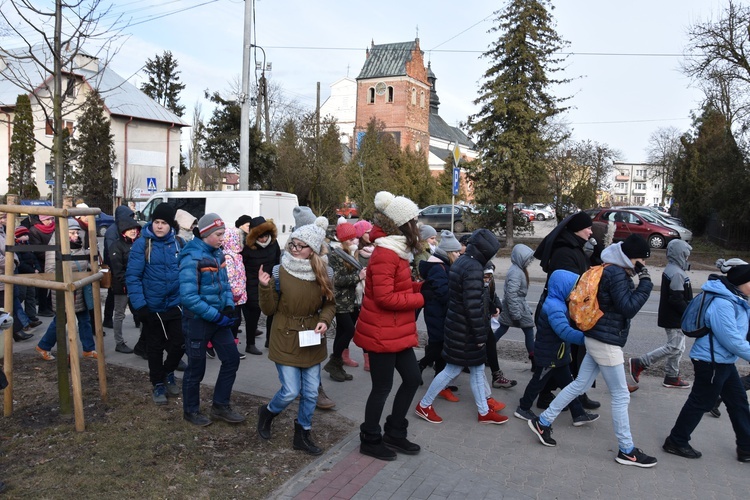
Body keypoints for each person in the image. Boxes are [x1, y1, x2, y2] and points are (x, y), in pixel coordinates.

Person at [528, 234, 657, 468]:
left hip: (596, 337)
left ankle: (543, 421)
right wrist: (646, 283)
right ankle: (627, 450)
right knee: (620, 395)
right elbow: (628, 308)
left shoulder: (612, 268)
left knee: (579, 385)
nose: (644, 264)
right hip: (606, 343)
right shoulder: (617, 273)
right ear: (632, 258)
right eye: (642, 259)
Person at [353, 191, 425, 461]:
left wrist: (420, 286)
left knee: (413, 379)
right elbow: (384, 297)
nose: (417, 225)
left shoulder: (398, 251)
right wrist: (420, 297)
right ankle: (370, 439)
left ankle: (395, 432)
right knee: (382, 388)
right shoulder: (386, 253)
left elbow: (396, 287)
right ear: (403, 224)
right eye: (414, 221)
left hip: (396, 331)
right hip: (381, 332)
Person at [256, 216, 335, 455]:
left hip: (311, 337)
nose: (295, 249)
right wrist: (264, 287)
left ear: (313, 249)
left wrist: (324, 321)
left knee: (311, 392)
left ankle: (302, 434)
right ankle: (268, 412)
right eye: (292, 244)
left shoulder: (324, 271)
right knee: (290, 390)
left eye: (301, 246)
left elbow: (330, 305)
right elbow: (268, 310)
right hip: (285, 335)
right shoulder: (279, 270)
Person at [415, 229, 508, 426]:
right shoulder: (474, 268)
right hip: (466, 330)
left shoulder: (463, 262)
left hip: (458, 327)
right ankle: (424, 405)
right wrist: (481, 334)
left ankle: (484, 411)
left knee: (475, 369)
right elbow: (472, 305)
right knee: (452, 369)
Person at [662, 259, 750, 462]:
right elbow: (732, 340)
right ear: (741, 282)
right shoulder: (723, 303)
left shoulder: (735, 298)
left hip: (723, 361)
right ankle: (676, 441)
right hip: (710, 361)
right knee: (700, 402)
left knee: (738, 402)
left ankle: (746, 448)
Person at [179, 213, 244, 426]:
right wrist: (215, 315)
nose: (222, 238)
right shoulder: (192, 257)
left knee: (232, 359)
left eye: (223, 233)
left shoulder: (218, 254)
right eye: (218, 234)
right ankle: (191, 411)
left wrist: (227, 307)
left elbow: (225, 285)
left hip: (218, 319)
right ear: (206, 234)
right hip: (198, 321)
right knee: (196, 368)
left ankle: (220, 406)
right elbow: (188, 297)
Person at [513, 269, 599, 427]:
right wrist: (586, 339)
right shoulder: (554, 307)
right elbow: (564, 331)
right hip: (549, 356)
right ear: (562, 287)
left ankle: (578, 413)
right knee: (537, 383)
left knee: (569, 385)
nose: (574, 292)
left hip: (557, 355)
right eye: (573, 288)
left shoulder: (558, 303)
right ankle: (523, 408)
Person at [533, 211, 600, 410]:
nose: (591, 231)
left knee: (571, 356)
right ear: (577, 229)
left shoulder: (575, 247)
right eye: (588, 228)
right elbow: (570, 284)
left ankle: (578, 393)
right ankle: (545, 395)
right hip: (565, 311)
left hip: (573, 310)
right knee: (560, 356)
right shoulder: (564, 251)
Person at [126, 203, 185, 406]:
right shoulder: (142, 244)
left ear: (171, 225)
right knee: (155, 348)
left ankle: (168, 372)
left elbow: (187, 271)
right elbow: (133, 277)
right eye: (157, 222)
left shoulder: (179, 243)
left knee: (179, 343)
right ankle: (158, 383)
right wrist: (140, 307)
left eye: (164, 223)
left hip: (175, 304)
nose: (160, 226)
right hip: (152, 307)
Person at [629, 239, 693, 389]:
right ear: (679, 254)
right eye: (686, 254)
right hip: (675, 318)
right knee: (674, 347)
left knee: (678, 347)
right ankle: (641, 363)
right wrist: (688, 313)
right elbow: (676, 299)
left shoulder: (673, 269)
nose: (687, 257)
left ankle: (672, 376)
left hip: (674, 316)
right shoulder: (677, 273)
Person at [35, 219, 97, 360]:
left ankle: (89, 348)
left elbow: (83, 263)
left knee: (84, 319)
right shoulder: (55, 247)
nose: (76, 235)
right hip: (65, 290)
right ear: (63, 233)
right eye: (72, 232)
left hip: (80, 289)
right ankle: (43, 346)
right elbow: (51, 271)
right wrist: (71, 276)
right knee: (60, 320)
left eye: (77, 232)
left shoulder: (79, 246)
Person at [417, 230, 462, 400]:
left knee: (442, 348)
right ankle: (419, 365)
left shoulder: (444, 265)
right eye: (457, 252)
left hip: (442, 314)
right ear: (449, 253)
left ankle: (442, 383)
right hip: (437, 315)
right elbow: (443, 293)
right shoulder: (437, 267)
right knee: (440, 347)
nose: (459, 254)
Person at [323, 222, 365, 382]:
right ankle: (333, 363)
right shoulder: (335, 255)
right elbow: (337, 280)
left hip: (352, 301)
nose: (355, 240)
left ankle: (337, 366)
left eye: (355, 237)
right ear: (344, 240)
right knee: (348, 331)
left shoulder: (352, 254)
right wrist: (358, 276)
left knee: (342, 332)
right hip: (340, 302)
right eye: (351, 238)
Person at [241, 216, 281, 354]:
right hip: (252, 284)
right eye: (260, 236)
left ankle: (270, 340)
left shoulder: (274, 244)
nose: (263, 239)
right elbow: (243, 266)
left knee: (272, 311)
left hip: (270, 282)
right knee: (254, 313)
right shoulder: (247, 247)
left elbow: (277, 261)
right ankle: (250, 344)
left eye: (265, 235)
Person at [495, 244, 536, 375]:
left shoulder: (518, 270)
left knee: (502, 328)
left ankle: (486, 351)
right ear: (520, 258)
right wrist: (516, 314)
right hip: (515, 307)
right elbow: (512, 295)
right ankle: (535, 361)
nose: (529, 261)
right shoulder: (516, 272)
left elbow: (517, 295)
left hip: (515, 306)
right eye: (527, 259)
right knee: (529, 331)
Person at [109, 215, 141, 354]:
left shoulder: (138, 243)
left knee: (141, 314)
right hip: (122, 287)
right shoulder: (116, 245)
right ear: (123, 230)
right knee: (119, 314)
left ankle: (143, 342)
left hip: (137, 286)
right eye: (130, 229)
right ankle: (119, 342)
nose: (133, 231)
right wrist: (128, 284)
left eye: (135, 228)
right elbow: (117, 270)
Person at [103, 205, 136, 329]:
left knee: (120, 295)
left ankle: (136, 318)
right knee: (114, 295)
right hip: (114, 267)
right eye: (129, 216)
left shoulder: (119, 228)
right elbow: (112, 251)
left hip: (119, 267)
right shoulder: (112, 231)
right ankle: (107, 319)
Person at [222, 225, 248, 360]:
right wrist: (236, 293)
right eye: (238, 239)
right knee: (233, 322)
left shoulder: (237, 256)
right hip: (233, 297)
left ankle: (231, 347)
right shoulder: (228, 257)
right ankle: (230, 350)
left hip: (239, 296)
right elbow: (230, 279)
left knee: (236, 322)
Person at [28, 214, 55, 317]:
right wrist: (52, 256)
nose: (50, 221)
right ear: (42, 219)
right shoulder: (34, 230)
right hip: (41, 261)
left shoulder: (54, 228)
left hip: (52, 259)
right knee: (43, 287)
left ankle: (50, 305)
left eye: (52, 218)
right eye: (48, 219)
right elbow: (37, 249)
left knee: (54, 285)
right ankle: (43, 308)